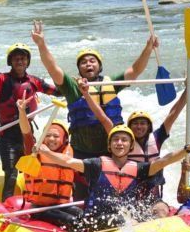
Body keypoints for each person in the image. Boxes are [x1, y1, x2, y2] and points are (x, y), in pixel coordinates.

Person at [30, 20, 157, 200]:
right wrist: (41, 45)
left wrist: (148, 48)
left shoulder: (110, 83)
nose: (88, 64)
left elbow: (135, 71)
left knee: (112, 192)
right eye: (83, 62)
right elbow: (52, 67)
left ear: (99, 65)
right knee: (83, 193)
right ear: (79, 69)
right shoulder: (71, 86)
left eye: (92, 61)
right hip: (83, 149)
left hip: (112, 149)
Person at [37, 125, 190, 231]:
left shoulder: (139, 168)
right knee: (121, 220)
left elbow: (165, 160)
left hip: (125, 219)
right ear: (109, 145)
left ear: (130, 145)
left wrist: (188, 149)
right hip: (96, 220)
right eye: (116, 140)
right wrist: (46, 152)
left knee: (143, 216)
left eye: (124, 140)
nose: (120, 143)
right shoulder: (96, 164)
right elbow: (68, 161)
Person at [0, 43, 58, 201]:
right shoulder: (1, 79)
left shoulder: (34, 81)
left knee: (33, 171)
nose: (20, 61)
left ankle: (36, 201)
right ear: (10, 61)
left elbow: (57, 91)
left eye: (23, 58)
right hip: (8, 135)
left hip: (26, 134)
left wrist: (73, 84)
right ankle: (7, 205)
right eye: (16, 59)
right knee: (11, 173)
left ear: (27, 61)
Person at [15, 96, 81, 228]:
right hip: (40, 208)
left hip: (63, 205)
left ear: (64, 139)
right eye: (47, 135)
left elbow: (75, 170)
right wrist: (22, 112)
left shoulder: (69, 154)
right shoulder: (34, 152)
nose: (51, 139)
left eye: (56, 136)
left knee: (84, 216)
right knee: (73, 222)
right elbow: (26, 133)